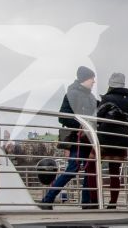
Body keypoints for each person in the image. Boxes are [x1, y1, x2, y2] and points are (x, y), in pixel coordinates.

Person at [41, 67, 99, 210]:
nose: (94, 81)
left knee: (89, 169)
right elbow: (63, 116)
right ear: (85, 78)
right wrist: (81, 125)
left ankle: (86, 203)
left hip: (89, 138)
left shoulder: (91, 97)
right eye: (92, 78)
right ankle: (48, 199)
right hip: (77, 138)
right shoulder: (72, 94)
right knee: (73, 169)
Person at [95, 74, 128, 209]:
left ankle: (93, 201)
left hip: (105, 139)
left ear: (110, 85)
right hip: (122, 140)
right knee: (115, 173)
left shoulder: (106, 98)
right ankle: (112, 203)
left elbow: (98, 118)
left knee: (92, 168)